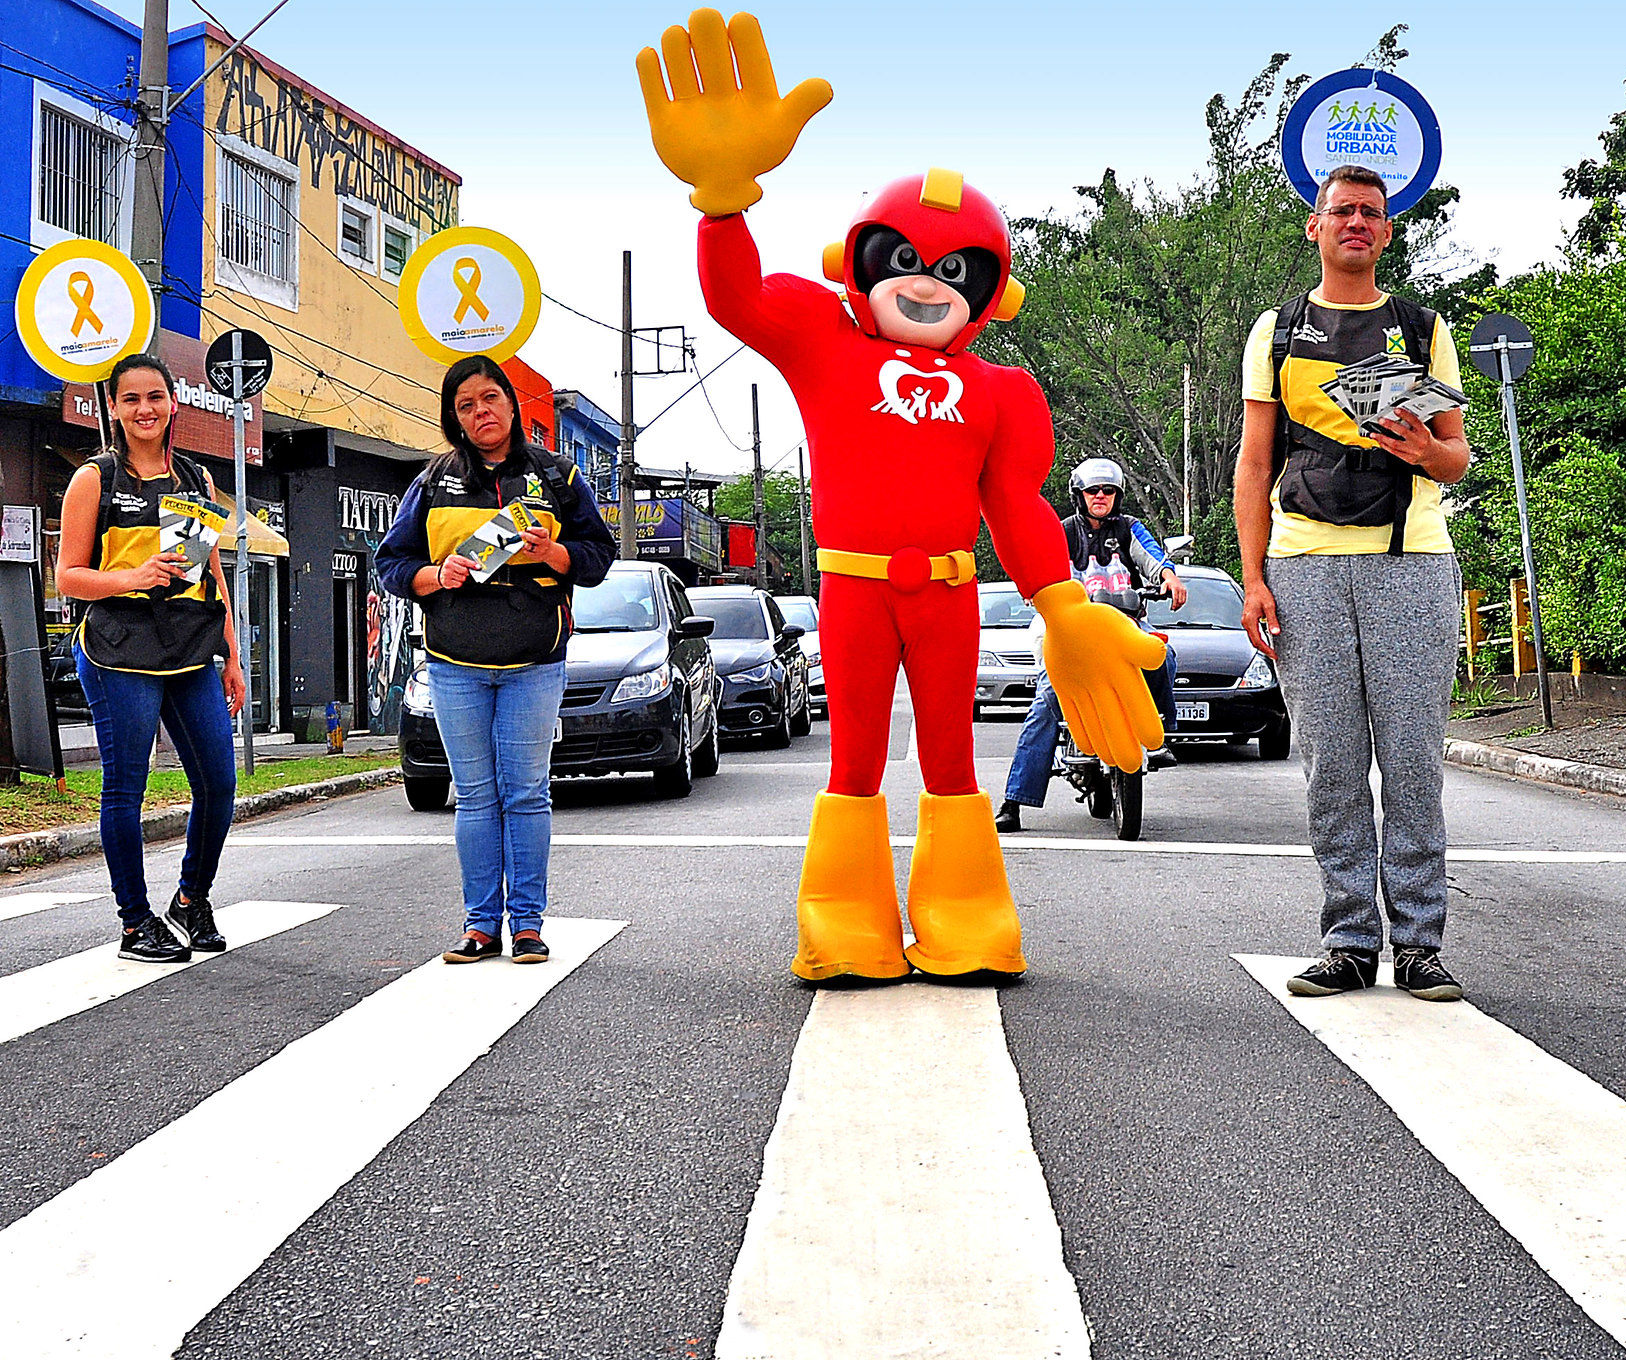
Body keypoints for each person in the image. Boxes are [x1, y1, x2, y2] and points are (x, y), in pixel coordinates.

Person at [638, 10, 1164, 982]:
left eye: (955, 271)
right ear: (858, 262)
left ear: (992, 290)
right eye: (905, 262)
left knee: (951, 758)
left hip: (949, 591)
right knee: (854, 762)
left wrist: (1061, 604)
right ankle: (844, 920)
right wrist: (721, 201)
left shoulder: (1003, 391)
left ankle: (963, 915)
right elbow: (736, 297)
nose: (925, 285)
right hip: (853, 589)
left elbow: (1012, 507)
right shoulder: (820, 338)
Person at [1233, 164, 1473, 1003]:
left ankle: (1418, 944)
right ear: (1316, 227)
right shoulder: (1278, 328)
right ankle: (1346, 938)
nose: (1357, 224)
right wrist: (1252, 576)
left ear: (1389, 231)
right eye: (1343, 212)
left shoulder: (1420, 326)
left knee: (1412, 761)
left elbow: (1456, 454)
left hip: (1410, 559)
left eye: (1372, 213)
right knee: (1329, 762)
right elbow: (1256, 460)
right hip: (1303, 563)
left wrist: (1418, 448)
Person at [375, 355, 615, 965]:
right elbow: (391, 564)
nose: (481, 412)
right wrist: (436, 573)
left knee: (527, 792)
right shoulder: (432, 482)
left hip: (535, 659)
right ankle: (480, 925)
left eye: (490, 399)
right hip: (455, 661)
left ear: (511, 403)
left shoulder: (557, 476)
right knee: (476, 794)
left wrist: (555, 551)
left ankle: (528, 925)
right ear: (454, 418)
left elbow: (597, 557)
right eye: (466, 405)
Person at [56, 352, 245, 963]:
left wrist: (234, 657)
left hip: (191, 651)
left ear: (173, 403)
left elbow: (212, 572)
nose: (146, 409)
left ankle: (190, 900)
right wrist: (132, 575)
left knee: (219, 782)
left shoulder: (195, 480)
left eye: (156, 397)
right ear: (113, 407)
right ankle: (135, 922)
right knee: (126, 788)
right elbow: (68, 578)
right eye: (132, 398)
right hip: (118, 651)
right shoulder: (95, 479)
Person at [995, 458, 1187, 833]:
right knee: (1047, 702)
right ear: (1079, 495)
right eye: (1093, 490)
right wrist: (1036, 592)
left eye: (1109, 491)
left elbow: (1153, 557)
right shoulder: (1061, 531)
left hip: (1125, 626)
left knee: (1164, 657)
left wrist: (1169, 578)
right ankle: (1013, 801)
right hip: (1073, 639)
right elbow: (1038, 566)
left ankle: (1161, 732)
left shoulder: (1130, 528)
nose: (1101, 497)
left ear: (1118, 495)